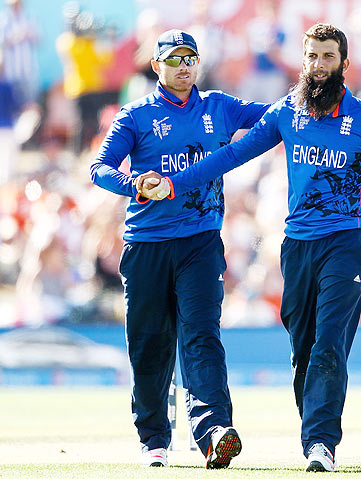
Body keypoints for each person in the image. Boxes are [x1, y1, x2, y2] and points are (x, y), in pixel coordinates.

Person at [136, 23, 361, 472]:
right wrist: (173, 183)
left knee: (328, 343)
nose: (318, 66)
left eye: (327, 57)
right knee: (303, 349)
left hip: (346, 240)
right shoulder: (289, 111)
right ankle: (314, 432)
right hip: (297, 245)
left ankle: (321, 442)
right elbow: (232, 156)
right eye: (311, 57)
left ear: (344, 64)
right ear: (302, 61)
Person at [89, 29, 269, 469]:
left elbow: (278, 115)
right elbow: (99, 167)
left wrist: (317, 94)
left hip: (201, 241)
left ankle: (214, 433)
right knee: (150, 343)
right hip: (147, 245)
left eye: (190, 58)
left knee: (203, 334)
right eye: (174, 59)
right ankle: (154, 439)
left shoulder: (220, 107)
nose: (184, 66)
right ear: (156, 66)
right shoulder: (135, 115)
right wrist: (134, 184)